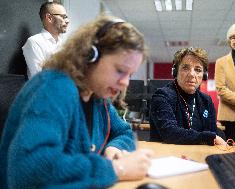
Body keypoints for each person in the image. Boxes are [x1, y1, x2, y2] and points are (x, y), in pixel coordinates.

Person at [0, 14, 153, 189]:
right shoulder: (54, 87)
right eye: (120, 70)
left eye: (130, 75)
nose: (125, 82)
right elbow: (31, 170)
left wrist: (114, 149)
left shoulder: (97, 98)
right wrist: (118, 168)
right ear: (90, 55)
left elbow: (123, 132)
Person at [150, 47, 226, 145]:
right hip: (167, 156)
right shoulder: (162, 96)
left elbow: (212, 131)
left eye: (198, 70)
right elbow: (170, 133)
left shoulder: (206, 100)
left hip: (197, 155)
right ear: (175, 72)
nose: (191, 74)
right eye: (185, 68)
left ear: (204, 75)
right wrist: (207, 137)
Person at [22, 2, 70, 79]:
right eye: (63, 17)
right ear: (49, 18)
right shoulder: (35, 42)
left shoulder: (64, 43)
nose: (67, 21)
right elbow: (40, 77)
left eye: (66, 17)